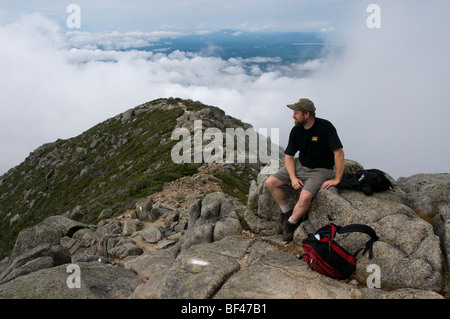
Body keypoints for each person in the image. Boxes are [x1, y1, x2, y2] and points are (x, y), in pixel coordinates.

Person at [265, 98, 345, 241]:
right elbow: (289, 156)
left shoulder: (326, 127)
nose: (293, 116)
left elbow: (338, 153)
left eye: (296, 113)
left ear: (306, 114)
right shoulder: (297, 130)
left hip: (320, 170)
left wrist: (337, 179)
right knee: (271, 182)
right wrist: (293, 177)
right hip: (300, 164)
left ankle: (290, 224)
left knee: (306, 196)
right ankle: (286, 212)